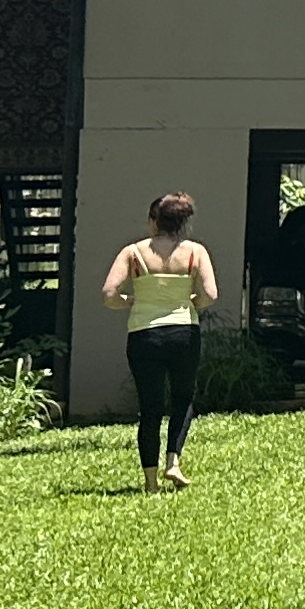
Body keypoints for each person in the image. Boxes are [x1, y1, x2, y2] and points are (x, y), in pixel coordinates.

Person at [100, 192, 219, 492]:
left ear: (154, 221)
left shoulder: (133, 252)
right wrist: (187, 300)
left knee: (150, 408)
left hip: (144, 335)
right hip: (183, 333)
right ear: (182, 222)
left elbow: (108, 294)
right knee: (182, 398)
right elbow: (209, 294)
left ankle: (150, 482)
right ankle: (173, 462)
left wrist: (130, 301)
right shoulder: (195, 252)